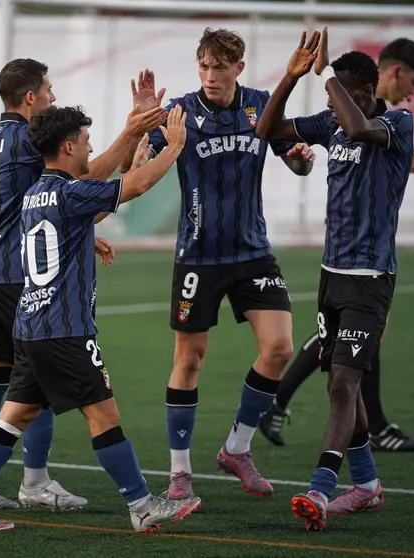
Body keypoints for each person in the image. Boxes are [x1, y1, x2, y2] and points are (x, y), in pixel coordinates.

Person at [0, 104, 201, 532]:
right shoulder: (71, 191)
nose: (91, 146)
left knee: (14, 417)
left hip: (29, 327)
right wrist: (172, 148)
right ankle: (141, 505)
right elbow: (131, 189)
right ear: (68, 146)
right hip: (65, 330)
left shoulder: (34, 194)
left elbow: (90, 212)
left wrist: (133, 165)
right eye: (85, 139)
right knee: (104, 417)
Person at [118, 27, 316, 501]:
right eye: (203, 66)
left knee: (280, 348)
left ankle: (237, 448)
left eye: (220, 66)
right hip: (198, 256)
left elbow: (295, 161)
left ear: (238, 68)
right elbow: (129, 171)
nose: (210, 75)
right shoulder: (180, 111)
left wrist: (303, 159)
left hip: (253, 251)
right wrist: (141, 124)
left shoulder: (261, 106)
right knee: (189, 360)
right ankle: (180, 473)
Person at [257, 28, 414, 530]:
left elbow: (361, 129)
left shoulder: (397, 122)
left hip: (371, 279)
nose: (341, 100)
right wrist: (293, 75)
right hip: (331, 276)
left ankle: (321, 491)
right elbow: (267, 130)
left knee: (346, 384)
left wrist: (327, 77)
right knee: (337, 386)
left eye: (350, 91)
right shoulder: (331, 122)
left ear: (369, 91)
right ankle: (367, 485)